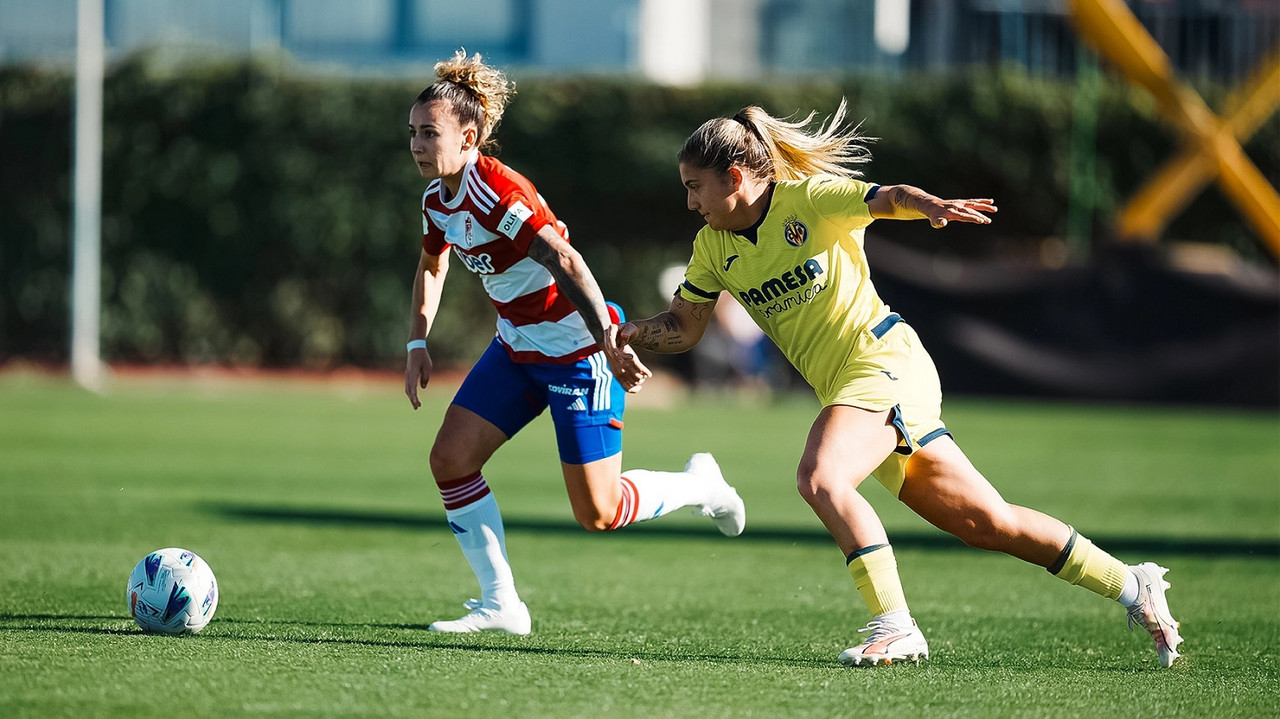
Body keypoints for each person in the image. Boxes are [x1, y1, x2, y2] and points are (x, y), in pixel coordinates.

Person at [605, 101, 1182, 668]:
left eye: (695, 186)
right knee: (988, 523)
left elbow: (887, 198)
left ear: (735, 177)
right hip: (854, 392)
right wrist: (633, 333)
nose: (689, 202)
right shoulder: (712, 248)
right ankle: (1134, 586)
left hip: (884, 363)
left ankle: (896, 628)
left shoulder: (809, 199)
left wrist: (929, 206)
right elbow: (684, 329)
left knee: (820, 477)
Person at [402, 52, 746, 636]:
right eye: (412, 132)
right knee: (450, 460)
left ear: (471, 136)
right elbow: (433, 264)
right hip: (516, 350)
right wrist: (417, 341)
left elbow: (566, 261)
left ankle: (701, 486)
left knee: (599, 513)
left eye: (429, 133)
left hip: (579, 356)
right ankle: (500, 604)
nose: (416, 144)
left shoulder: (498, 194)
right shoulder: (439, 198)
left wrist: (606, 342)